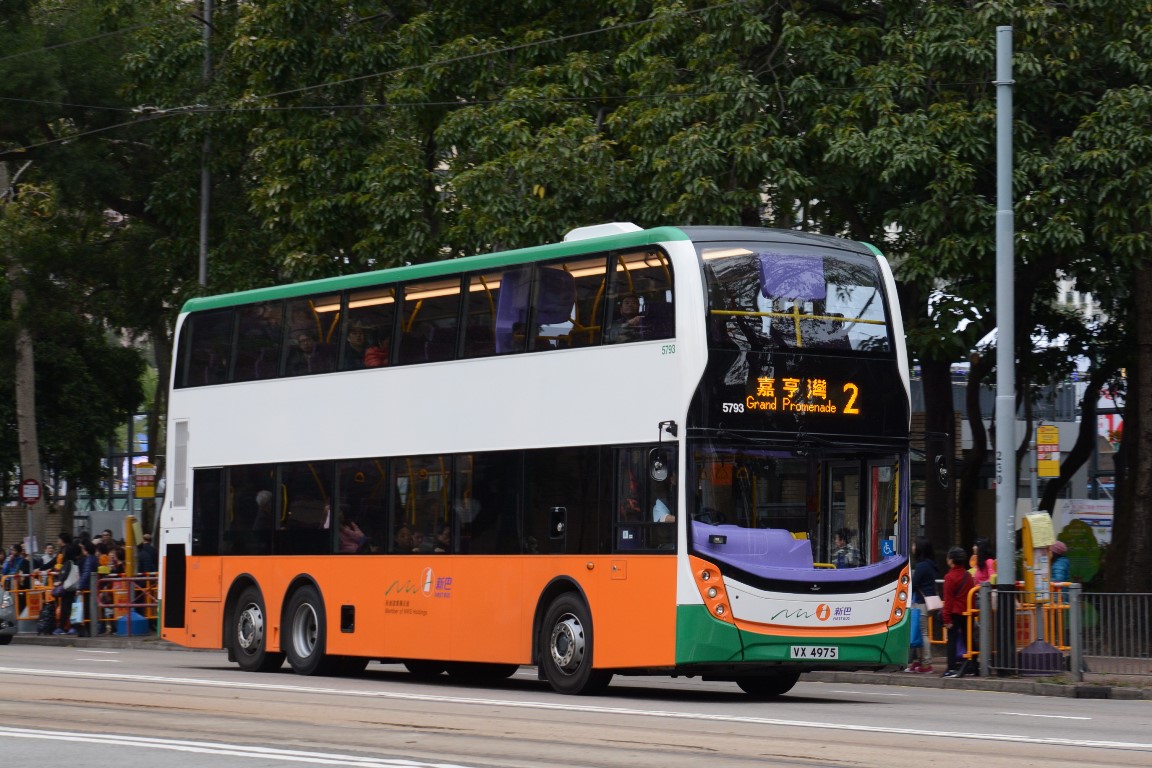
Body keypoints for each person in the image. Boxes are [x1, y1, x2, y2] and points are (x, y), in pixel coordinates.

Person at [941, 545, 977, 677]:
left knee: (952, 640)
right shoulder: (968, 576)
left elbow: (948, 600)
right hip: (967, 612)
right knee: (969, 639)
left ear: (951, 560)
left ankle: (951, 668)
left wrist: (946, 619)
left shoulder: (949, 577)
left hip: (954, 613)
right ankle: (973, 666)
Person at [905, 536, 938, 674]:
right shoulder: (930, 564)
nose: (912, 547)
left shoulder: (922, 566)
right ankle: (918, 662)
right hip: (924, 602)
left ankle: (926, 664)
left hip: (920, 603)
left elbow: (914, 583)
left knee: (922, 633)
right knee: (918, 632)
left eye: (914, 545)